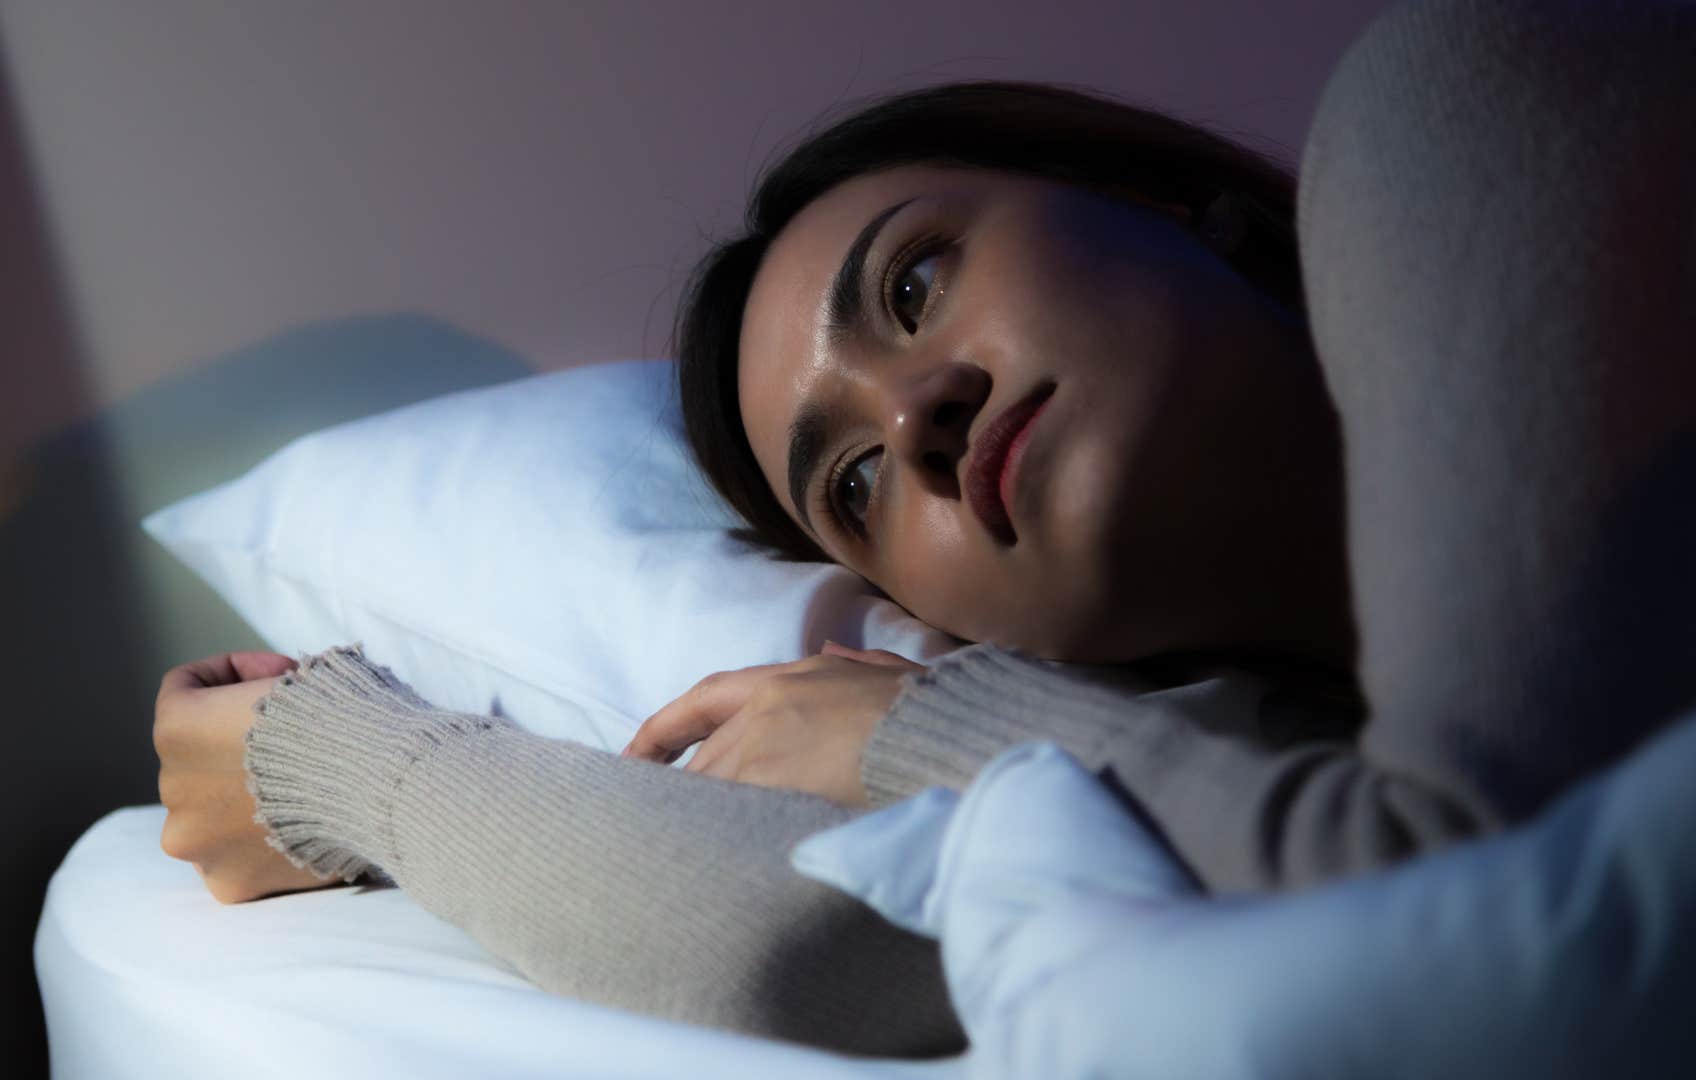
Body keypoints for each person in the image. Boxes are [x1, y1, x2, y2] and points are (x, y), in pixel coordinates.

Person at [152, 0, 1695, 1059]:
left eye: (912, 285)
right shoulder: (1223, 754)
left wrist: (943, 725)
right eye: (855, 491)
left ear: (1164, 203)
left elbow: (1487, 923)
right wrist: (332, 755)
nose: (914, 425)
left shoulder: (1460, 116)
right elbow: (780, 942)